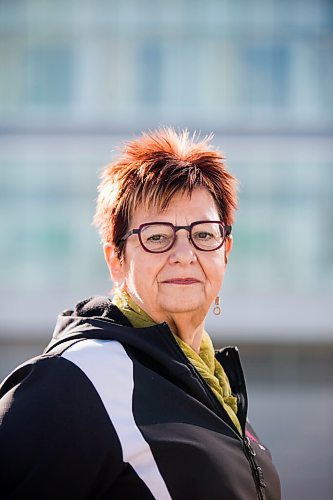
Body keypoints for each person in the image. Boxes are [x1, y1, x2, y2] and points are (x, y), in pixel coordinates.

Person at [0, 128, 281, 499]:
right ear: (116, 259)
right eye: (157, 236)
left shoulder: (219, 393)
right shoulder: (74, 380)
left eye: (204, 234)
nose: (184, 253)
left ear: (225, 251)